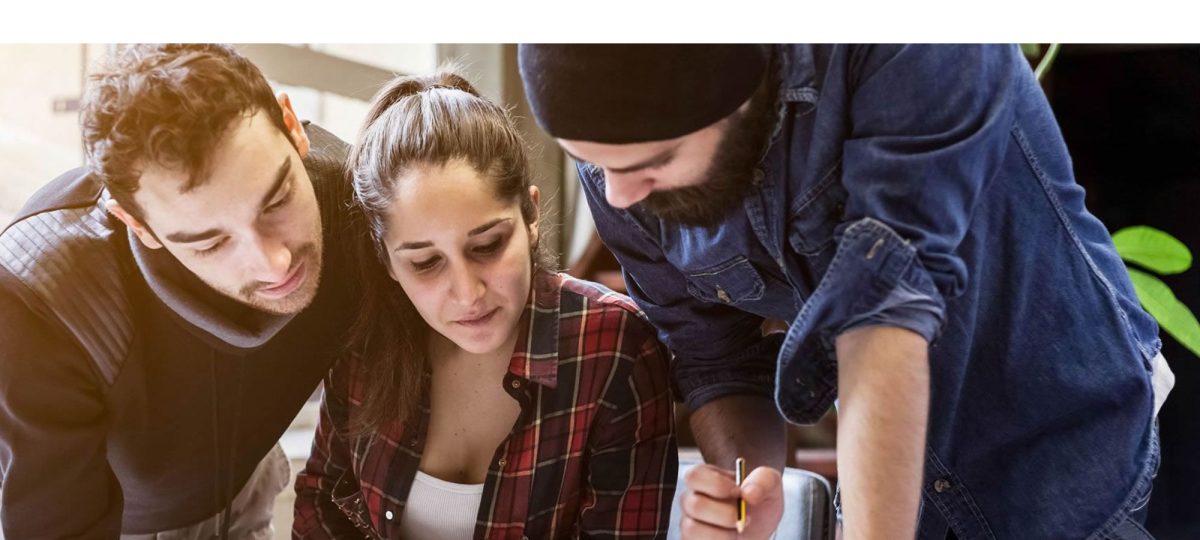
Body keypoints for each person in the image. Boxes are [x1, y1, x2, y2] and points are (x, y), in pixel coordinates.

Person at [517, 44, 1175, 539]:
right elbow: (715, 359)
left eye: (649, 164)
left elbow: (881, 313)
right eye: (594, 164)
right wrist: (750, 487)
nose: (618, 195)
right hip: (897, 490)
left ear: (744, 100)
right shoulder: (619, 169)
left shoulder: (912, 43)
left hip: (1064, 450)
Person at [292, 69, 678, 539]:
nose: (468, 292)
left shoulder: (617, 347)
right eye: (426, 262)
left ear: (530, 215)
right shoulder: (364, 344)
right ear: (387, 262)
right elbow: (321, 507)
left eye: (487, 246)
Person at [0, 43, 357, 538]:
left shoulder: (358, 198)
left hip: (249, 481)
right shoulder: (40, 301)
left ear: (293, 127)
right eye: (211, 242)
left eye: (276, 200)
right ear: (137, 225)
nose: (274, 263)